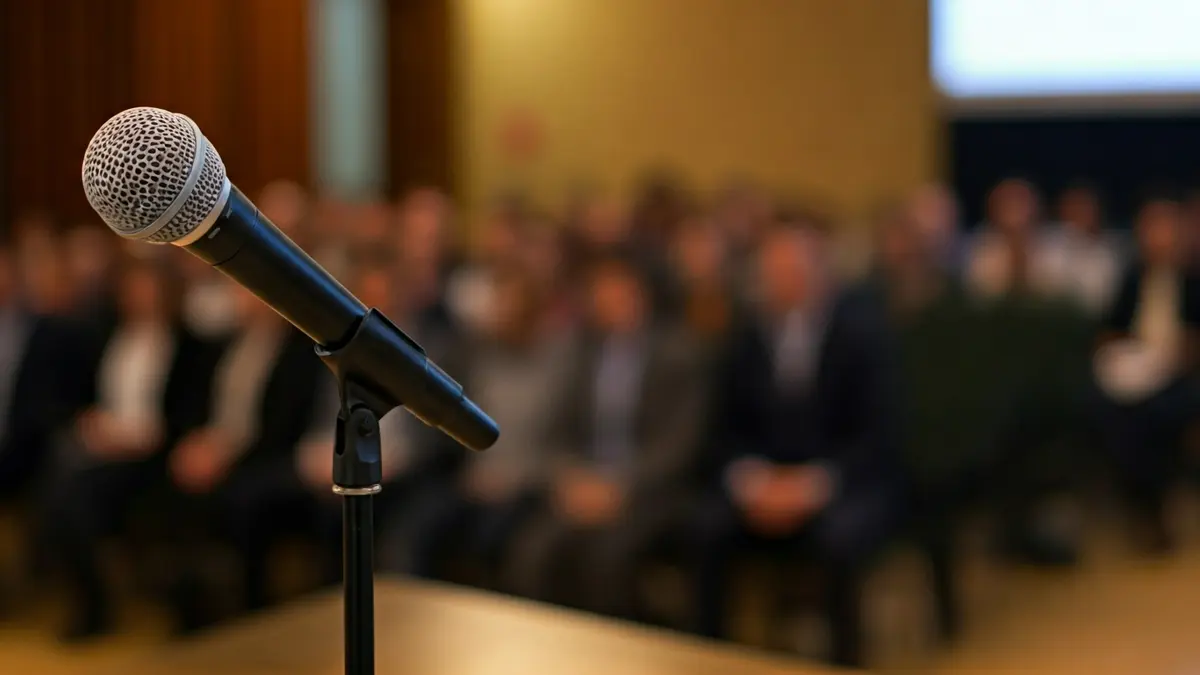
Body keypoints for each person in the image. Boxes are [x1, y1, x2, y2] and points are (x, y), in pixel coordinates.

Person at [688, 222, 902, 668]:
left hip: (837, 480)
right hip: (762, 479)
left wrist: (810, 486)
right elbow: (723, 429)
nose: (781, 284)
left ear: (819, 276)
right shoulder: (747, 338)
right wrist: (752, 481)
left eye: (792, 273)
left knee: (839, 540)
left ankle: (844, 659)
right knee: (704, 529)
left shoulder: (863, 337)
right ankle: (705, 656)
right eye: (772, 275)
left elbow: (877, 435)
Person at [508, 252, 708, 620]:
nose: (608, 298)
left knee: (605, 561)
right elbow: (556, 432)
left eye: (618, 288)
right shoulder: (584, 352)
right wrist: (569, 478)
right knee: (532, 553)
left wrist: (619, 485)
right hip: (583, 487)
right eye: (600, 289)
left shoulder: (678, 352)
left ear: (642, 293)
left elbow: (678, 444)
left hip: (647, 493)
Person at [40, 256, 207, 641]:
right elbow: (97, 396)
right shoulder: (115, 336)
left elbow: (182, 416)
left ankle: (97, 605)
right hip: (109, 448)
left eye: (147, 288)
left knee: (74, 495)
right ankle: (90, 597)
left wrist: (130, 438)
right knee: (59, 489)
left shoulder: (188, 344)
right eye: (133, 289)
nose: (139, 297)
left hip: (154, 457)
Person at [383, 263, 568, 583]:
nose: (498, 311)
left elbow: (562, 439)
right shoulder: (477, 355)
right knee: (410, 531)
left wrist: (517, 478)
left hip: (528, 487)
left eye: (509, 302)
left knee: (491, 541)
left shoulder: (559, 365)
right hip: (471, 479)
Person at [1092, 196, 1200, 553]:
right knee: (1118, 414)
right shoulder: (1131, 277)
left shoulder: (1192, 280)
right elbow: (1108, 329)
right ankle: (1143, 506)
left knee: (1161, 412)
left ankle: (1155, 505)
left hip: (1182, 376)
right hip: (1131, 374)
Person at [1035, 183, 1124, 315]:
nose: (1078, 214)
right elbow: (1042, 290)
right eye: (1073, 207)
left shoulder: (1107, 255)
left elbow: (1098, 302)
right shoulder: (1047, 245)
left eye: (1084, 208)